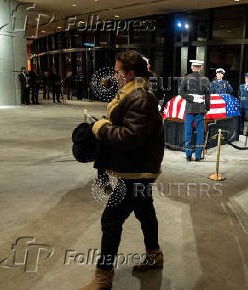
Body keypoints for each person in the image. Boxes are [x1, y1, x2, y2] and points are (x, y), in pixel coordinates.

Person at [81, 50, 164, 290]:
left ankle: (103, 277)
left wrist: (101, 127)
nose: (114, 75)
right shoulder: (133, 93)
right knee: (145, 212)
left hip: (135, 171)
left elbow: (130, 138)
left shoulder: (140, 97)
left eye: (118, 71)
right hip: (137, 169)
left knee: (110, 220)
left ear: (129, 73)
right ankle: (154, 255)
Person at [179, 59, 211, 162]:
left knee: (188, 132)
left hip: (189, 108)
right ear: (200, 68)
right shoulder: (205, 80)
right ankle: (197, 156)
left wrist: (191, 98)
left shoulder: (186, 78)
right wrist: (207, 107)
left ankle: (188, 155)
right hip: (200, 109)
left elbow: (181, 92)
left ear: (192, 68)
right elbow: (207, 95)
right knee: (200, 133)